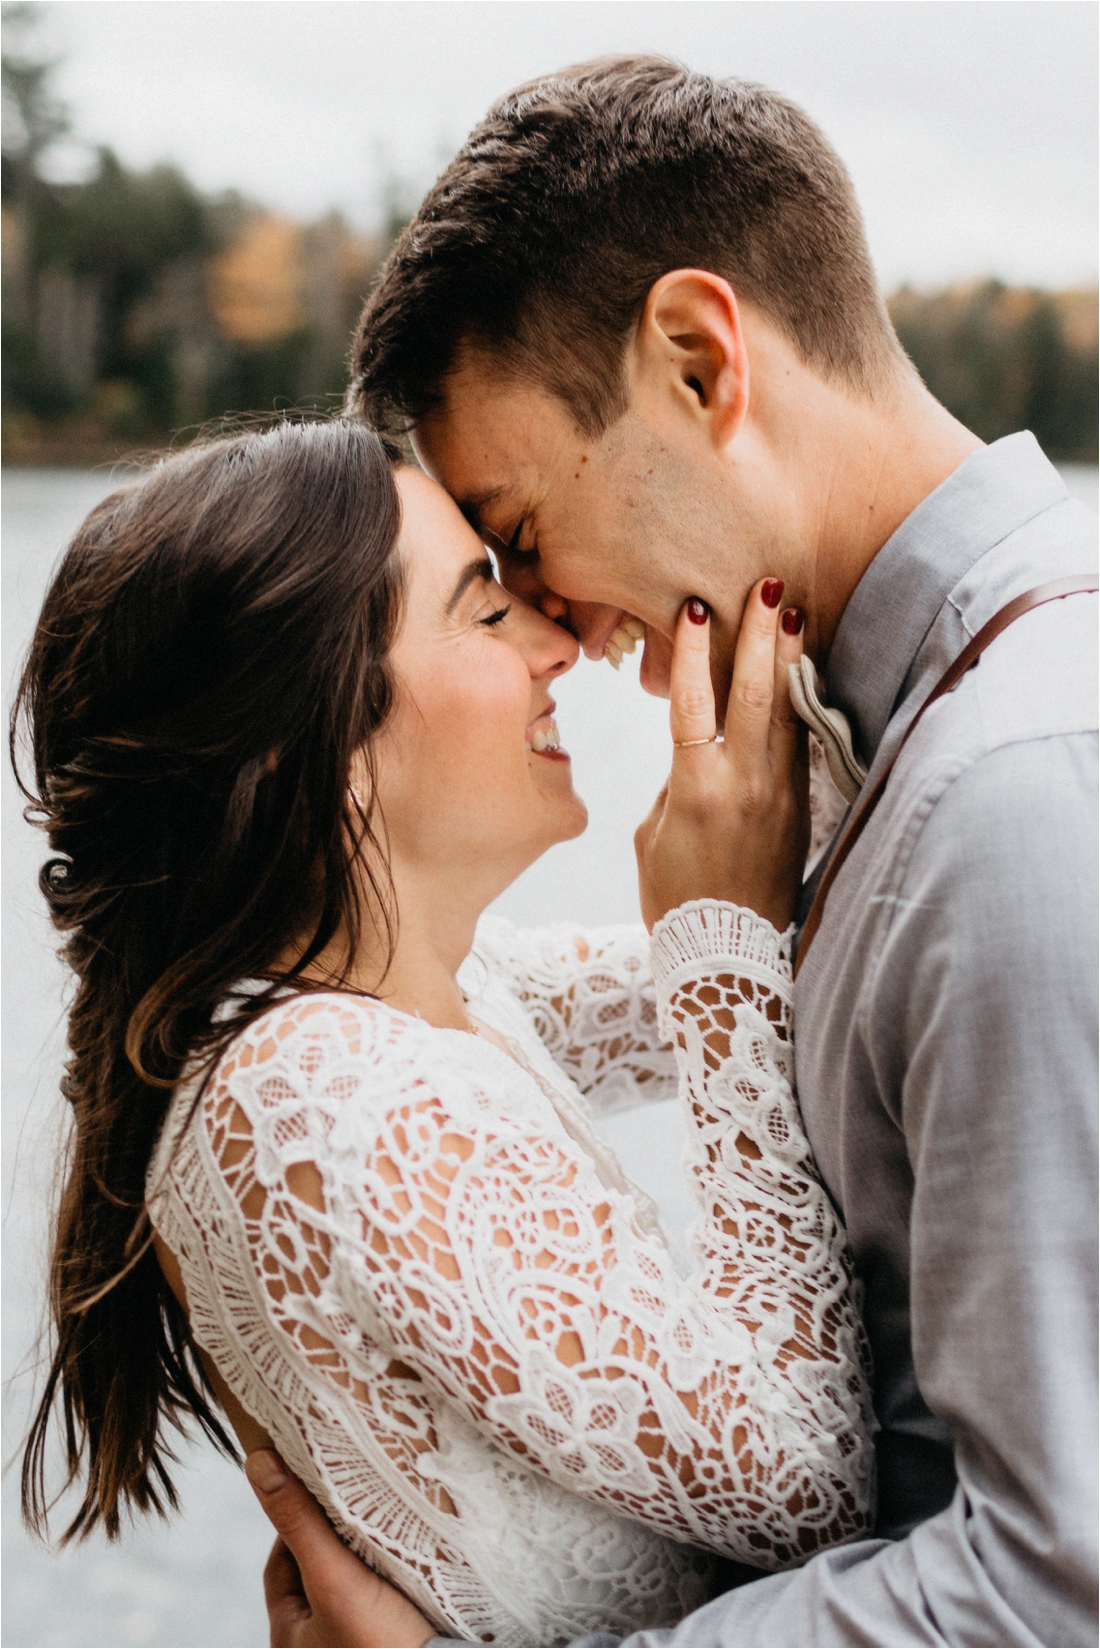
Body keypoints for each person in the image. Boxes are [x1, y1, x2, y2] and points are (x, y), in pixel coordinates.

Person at [251, 56, 1098, 1648]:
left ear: (702, 362)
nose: (553, 621)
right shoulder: (904, 751)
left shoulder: (1020, 795)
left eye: (518, 535)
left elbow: (1053, 1587)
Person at [16, 417, 879, 1647]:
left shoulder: (404, 1003)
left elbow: (781, 969)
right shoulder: (334, 1099)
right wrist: (718, 933)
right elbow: (809, 1477)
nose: (556, 645)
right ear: (313, 741)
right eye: (486, 610)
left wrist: (768, 689)